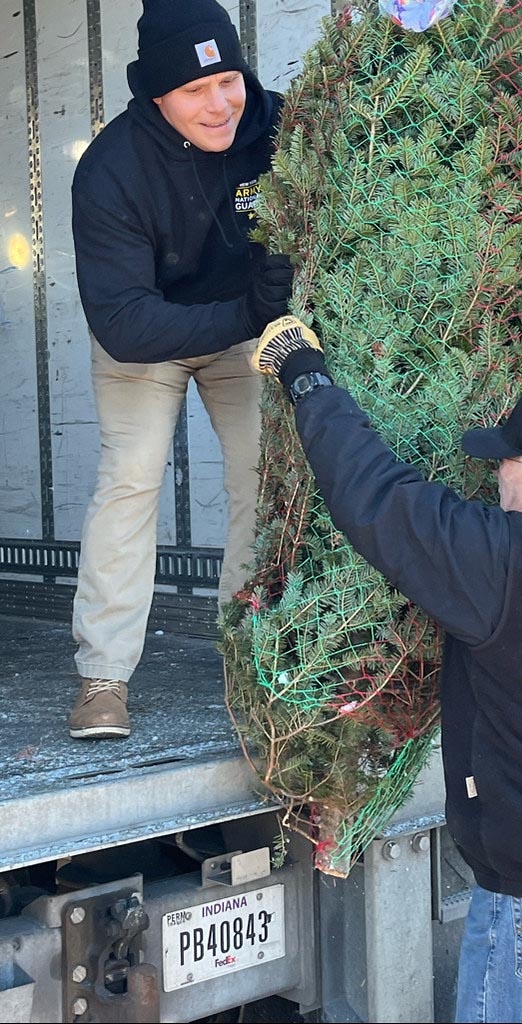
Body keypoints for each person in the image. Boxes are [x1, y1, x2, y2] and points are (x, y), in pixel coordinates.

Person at [251, 316, 522, 1024]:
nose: (493, 483)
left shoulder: (510, 565)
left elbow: (377, 498)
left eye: (503, 469)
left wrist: (305, 372)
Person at [67, 0, 294, 740]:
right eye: (194, 91)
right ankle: (103, 676)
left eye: (226, 79)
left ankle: (247, 652)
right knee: (131, 477)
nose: (219, 103)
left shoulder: (280, 128)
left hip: (242, 331)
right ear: (157, 94)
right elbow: (125, 324)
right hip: (150, 334)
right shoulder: (112, 169)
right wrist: (248, 313)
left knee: (264, 475)